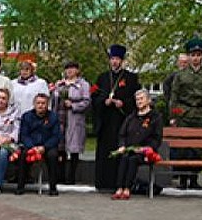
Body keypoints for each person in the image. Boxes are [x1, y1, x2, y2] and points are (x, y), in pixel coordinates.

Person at [165, 37, 202, 190]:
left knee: (197, 148)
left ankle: (194, 179)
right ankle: (182, 179)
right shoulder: (181, 75)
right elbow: (174, 97)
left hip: (201, 113)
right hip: (184, 113)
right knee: (183, 148)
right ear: (188, 57)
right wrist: (173, 116)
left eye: (198, 55)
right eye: (192, 55)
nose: (195, 58)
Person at [92, 44, 140, 192]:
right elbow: (94, 97)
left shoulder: (131, 78)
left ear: (122, 61)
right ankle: (102, 183)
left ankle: (119, 183)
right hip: (106, 122)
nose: (114, 62)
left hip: (122, 121)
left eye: (117, 59)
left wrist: (123, 103)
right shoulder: (102, 77)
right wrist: (103, 102)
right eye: (112, 59)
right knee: (104, 153)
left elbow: (136, 99)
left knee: (120, 151)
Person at [113, 89, 163, 200]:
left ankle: (127, 189)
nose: (139, 102)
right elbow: (122, 134)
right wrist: (122, 145)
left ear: (148, 100)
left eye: (141, 99)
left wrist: (145, 148)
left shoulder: (155, 117)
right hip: (129, 149)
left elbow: (157, 138)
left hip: (146, 152)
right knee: (124, 157)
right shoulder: (131, 117)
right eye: (137, 100)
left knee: (133, 159)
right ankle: (119, 188)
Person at [50, 60, 90, 185]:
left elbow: (87, 102)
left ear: (77, 70)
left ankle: (71, 177)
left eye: (72, 69)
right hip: (60, 118)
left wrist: (73, 105)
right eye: (67, 69)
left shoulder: (83, 84)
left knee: (74, 149)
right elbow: (53, 100)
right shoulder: (60, 84)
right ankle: (59, 176)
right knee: (60, 148)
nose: (69, 71)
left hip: (74, 119)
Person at [16, 92, 60, 195]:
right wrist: (32, 147)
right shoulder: (26, 116)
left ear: (47, 104)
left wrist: (44, 147)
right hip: (31, 146)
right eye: (38, 103)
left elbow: (56, 136)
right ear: (34, 104)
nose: (40, 105)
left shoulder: (53, 117)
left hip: (47, 146)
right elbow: (24, 135)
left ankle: (53, 188)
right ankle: (20, 187)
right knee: (23, 154)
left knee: (53, 155)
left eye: (43, 103)